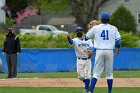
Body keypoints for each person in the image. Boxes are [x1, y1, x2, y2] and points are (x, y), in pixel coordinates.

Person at [85, 12, 121, 93]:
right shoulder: (114, 28)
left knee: (96, 73)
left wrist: (90, 30)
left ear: (101, 19)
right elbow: (118, 43)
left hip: (99, 51)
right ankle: (109, 92)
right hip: (109, 52)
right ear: (108, 20)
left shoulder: (96, 28)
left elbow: (86, 38)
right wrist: (118, 49)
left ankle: (90, 91)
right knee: (109, 74)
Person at [67, 27, 94, 93]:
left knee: (88, 75)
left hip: (87, 60)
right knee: (80, 76)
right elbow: (71, 42)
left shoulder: (88, 40)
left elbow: (92, 47)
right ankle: (88, 86)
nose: (79, 32)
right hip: (79, 60)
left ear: (83, 32)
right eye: (77, 31)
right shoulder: (75, 40)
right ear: (76, 33)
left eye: (80, 30)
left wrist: (91, 51)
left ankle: (86, 89)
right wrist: (68, 38)